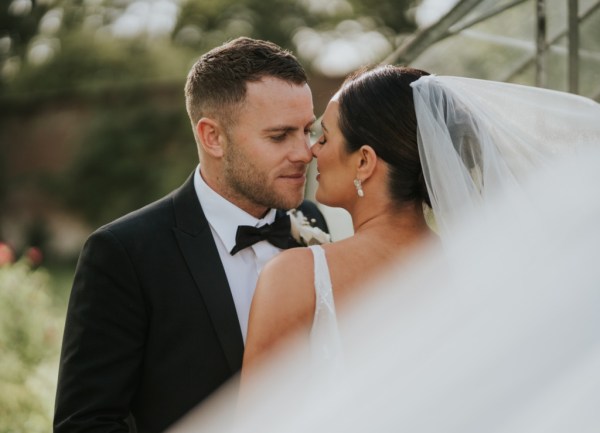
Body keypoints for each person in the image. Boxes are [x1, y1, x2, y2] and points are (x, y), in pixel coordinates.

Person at [240, 64, 600, 382]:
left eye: (325, 137)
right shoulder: (483, 271)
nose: (311, 151)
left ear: (364, 162)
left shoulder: (297, 276)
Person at [54, 37, 328, 433]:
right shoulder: (124, 253)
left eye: (307, 130)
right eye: (279, 136)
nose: (304, 152)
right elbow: (86, 424)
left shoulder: (309, 222)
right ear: (212, 136)